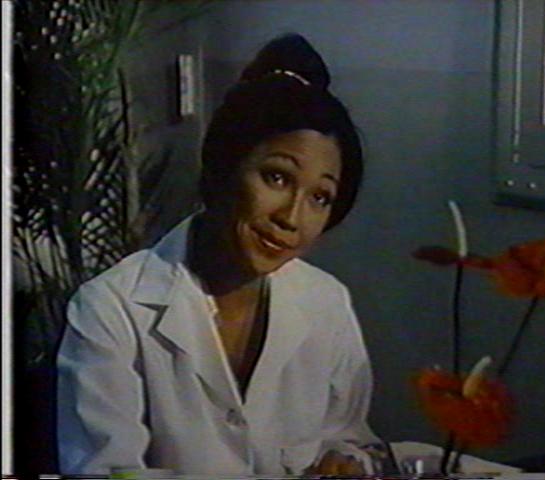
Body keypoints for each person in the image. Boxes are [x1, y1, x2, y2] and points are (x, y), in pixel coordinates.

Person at [57, 33, 382, 476]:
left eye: (320, 197)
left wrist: (345, 461)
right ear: (223, 166)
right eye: (277, 177)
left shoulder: (328, 302)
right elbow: (106, 472)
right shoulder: (111, 308)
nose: (291, 217)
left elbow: (349, 436)